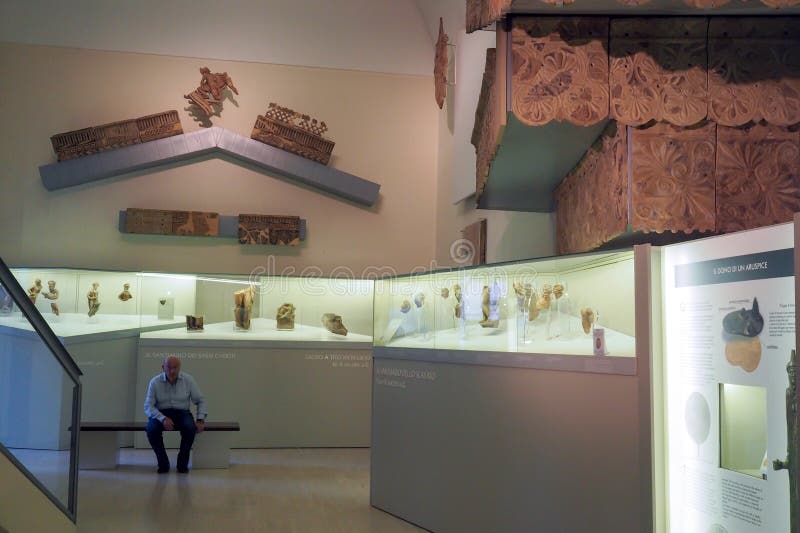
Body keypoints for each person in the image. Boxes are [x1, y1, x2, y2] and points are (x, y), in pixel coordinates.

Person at [144, 355, 207, 473]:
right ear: (163, 368)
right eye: (169, 367)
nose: (172, 371)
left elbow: (200, 400)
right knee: (151, 429)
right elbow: (148, 406)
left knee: (190, 428)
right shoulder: (155, 382)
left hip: (182, 412)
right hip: (161, 413)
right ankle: (163, 463)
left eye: (175, 367)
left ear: (179, 368)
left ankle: (182, 463)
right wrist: (162, 419)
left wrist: (200, 420)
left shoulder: (188, 380)